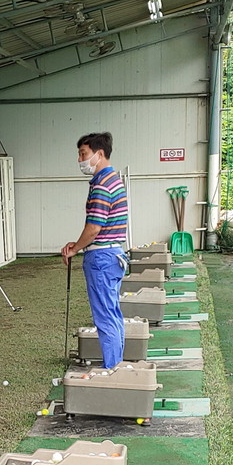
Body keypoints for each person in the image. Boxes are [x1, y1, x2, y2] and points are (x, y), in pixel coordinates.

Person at [60, 132, 129, 368]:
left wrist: (75, 248)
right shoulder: (114, 180)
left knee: (105, 316)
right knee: (112, 313)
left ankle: (112, 369)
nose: (80, 159)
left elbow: (94, 228)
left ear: (99, 154)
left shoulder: (102, 184)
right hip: (113, 254)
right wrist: (79, 245)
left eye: (83, 154)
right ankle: (116, 364)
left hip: (101, 256)